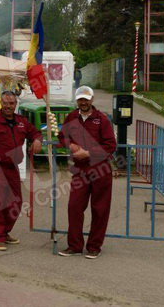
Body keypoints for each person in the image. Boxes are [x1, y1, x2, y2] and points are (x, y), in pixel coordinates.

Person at [0, 91, 42, 251]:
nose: (8, 106)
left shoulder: (21, 122)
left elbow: (34, 132)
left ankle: (5, 232)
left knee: (15, 203)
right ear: (1, 103)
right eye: (5, 103)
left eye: (11, 103)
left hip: (12, 167)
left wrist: (38, 140)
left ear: (15, 104)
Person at [57, 86, 117, 259]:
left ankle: (94, 246)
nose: (83, 102)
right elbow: (62, 137)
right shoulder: (72, 117)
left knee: (100, 209)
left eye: (86, 99)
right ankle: (75, 245)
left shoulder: (102, 119)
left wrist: (89, 153)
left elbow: (110, 146)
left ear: (92, 99)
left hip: (101, 170)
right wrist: (70, 145)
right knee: (74, 206)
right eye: (80, 99)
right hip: (80, 170)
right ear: (76, 100)